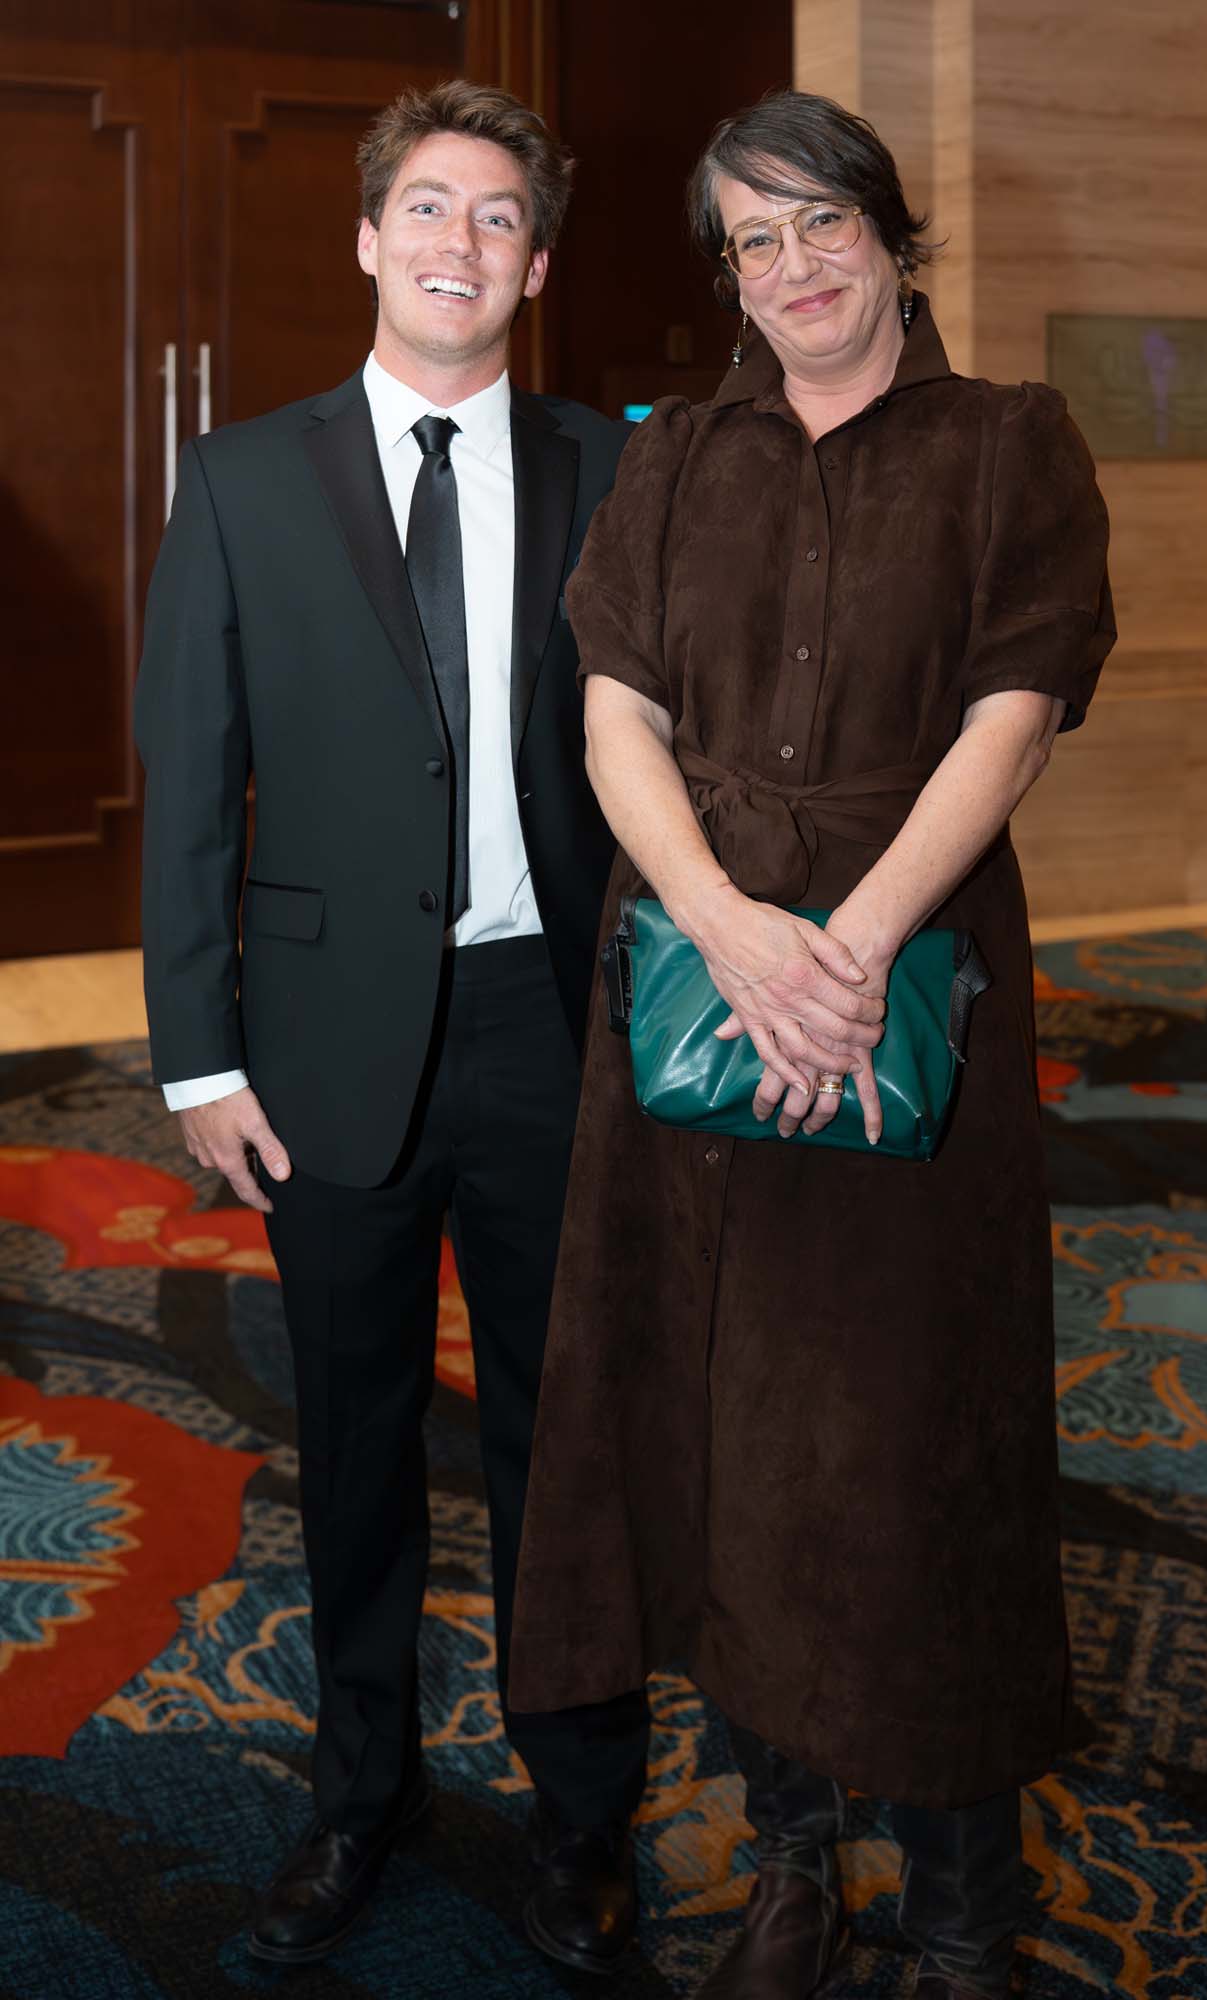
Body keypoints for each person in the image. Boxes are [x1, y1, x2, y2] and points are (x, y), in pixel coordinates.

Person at [508, 89, 1115, 2000]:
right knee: (721, 1434)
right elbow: (613, 714)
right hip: (694, 999)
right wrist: (722, 926)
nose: (791, 268)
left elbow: (1013, 715)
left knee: (913, 1444)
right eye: (751, 241)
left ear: (888, 230)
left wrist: (846, 954)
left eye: (820, 222)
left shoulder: (1010, 441)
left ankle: (960, 1905)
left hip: (903, 1001)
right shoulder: (671, 457)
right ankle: (789, 1864)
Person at [134, 79, 649, 1976]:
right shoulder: (242, 480)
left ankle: (581, 1813)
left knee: (564, 1447)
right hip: (322, 1041)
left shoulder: (612, 470)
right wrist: (200, 1055)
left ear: (536, 264)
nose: (459, 242)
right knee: (352, 1444)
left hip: (551, 1026)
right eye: (427, 206)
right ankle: (358, 1796)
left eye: (498, 216)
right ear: (367, 239)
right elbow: (192, 781)